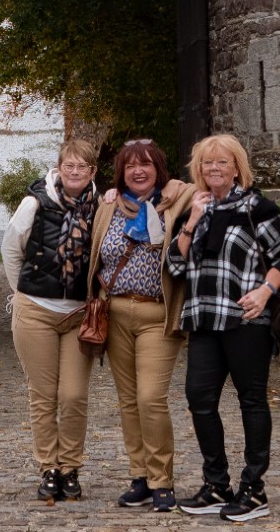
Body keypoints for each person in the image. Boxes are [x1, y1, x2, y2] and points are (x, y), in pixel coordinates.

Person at [165, 133, 280, 523]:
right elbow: (174, 265)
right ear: (199, 169)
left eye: (222, 162)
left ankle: (254, 490)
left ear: (237, 168)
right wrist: (191, 221)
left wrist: (265, 291)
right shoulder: (196, 208)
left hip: (246, 321)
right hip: (204, 319)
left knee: (251, 400)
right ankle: (216, 485)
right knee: (199, 399)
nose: (214, 168)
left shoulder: (258, 207)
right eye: (207, 163)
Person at [87, 138, 197, 513]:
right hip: (116, 312)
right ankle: (140, 477)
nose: (138, 171)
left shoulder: (174, 201)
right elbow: (95, 253)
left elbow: (198, 187)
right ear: (121, 172)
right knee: (129, 401)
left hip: (157, 315)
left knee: (151, 398)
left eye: (146, 164)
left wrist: (176, 186)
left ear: (158, 170)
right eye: (131, 165)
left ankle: (162, 479)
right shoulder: (109, 206)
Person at [1, 136, 102, 502]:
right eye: (68, 165)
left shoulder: (101, 207)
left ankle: (71, 467)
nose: (74, 172)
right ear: (59, 168)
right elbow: (11, 249)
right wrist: (24, 293)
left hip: (78, 314)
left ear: (92, 171)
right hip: (36, 314)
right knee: (43, 395)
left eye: (81, 166)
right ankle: (49, 468)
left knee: (73, 395)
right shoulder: (35, 203)